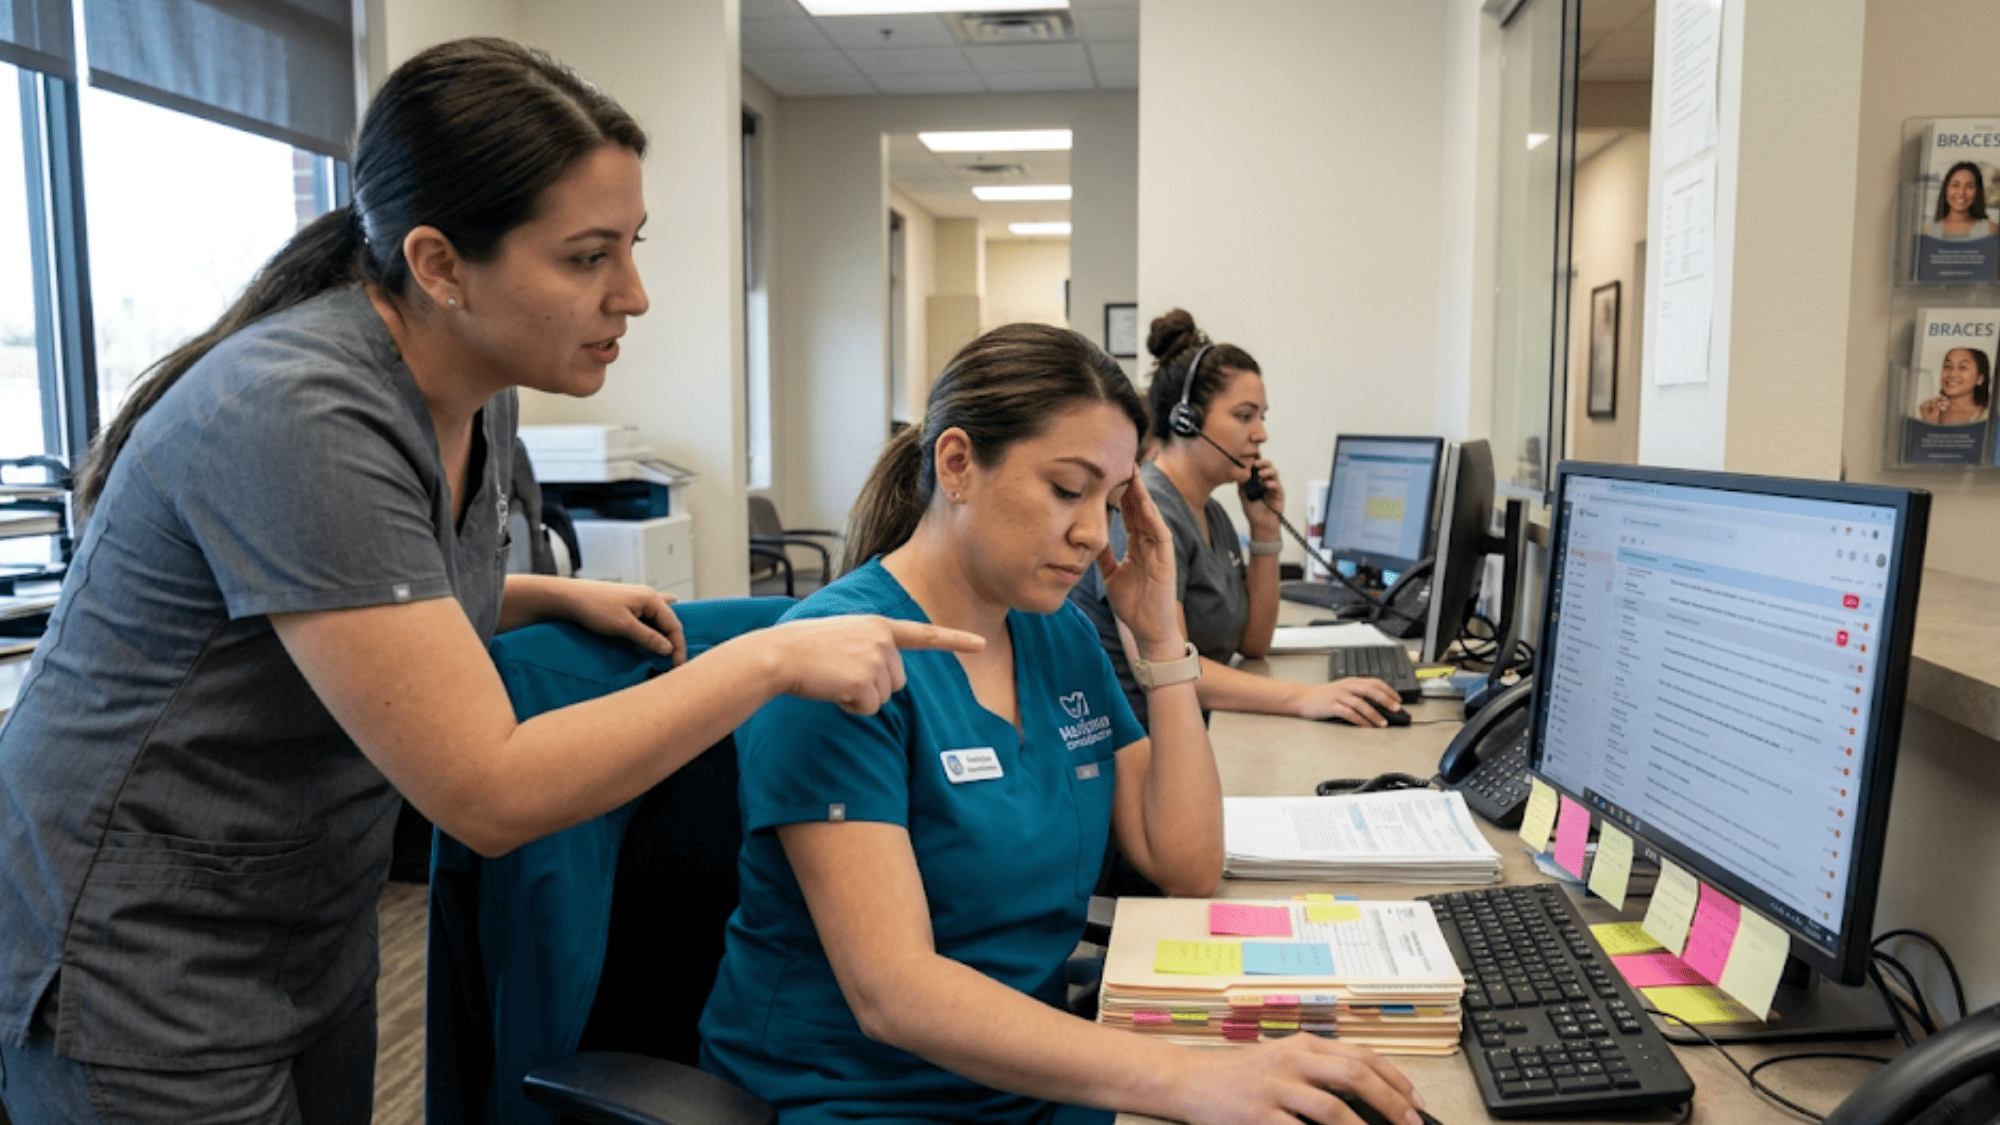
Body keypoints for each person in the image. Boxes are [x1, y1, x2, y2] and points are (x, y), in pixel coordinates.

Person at [0, 38, 976, 1124]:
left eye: (631, 248)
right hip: (138, 942)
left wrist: (544, 595)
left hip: (304, 918)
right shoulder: (298, 414)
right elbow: (489, 792)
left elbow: (367, 600)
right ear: (439, 263)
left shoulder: (477, 393)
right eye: (586, 258)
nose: (634, 295)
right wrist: (768, 658)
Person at [697, 324, 1429, 1125]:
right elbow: (893, 994)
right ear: (957, 464)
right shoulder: (833, 661)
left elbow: (1183, 861)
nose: (1093, 532)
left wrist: (1159, 639)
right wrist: (1183, 1078)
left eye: (1112, 500)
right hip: (859, 1101)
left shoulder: (1058, 633)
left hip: (1035, 1084)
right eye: (1066, 489)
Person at [1069, 309, 1404, 730]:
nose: (1260, 433)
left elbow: (1253, 643)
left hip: (1190, 729)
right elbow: (1163, 671)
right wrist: (1305, 698)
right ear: (1186, 419)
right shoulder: (1146, 513)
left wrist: (1265, 529)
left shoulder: (1211, 512)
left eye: (1262, 417)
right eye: (1245, 416)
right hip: (1137, 742)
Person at [1917, 345, 1992, 425]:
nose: (1952, 374)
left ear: (1979, 379)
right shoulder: (1926, 410)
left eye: (1962, 367)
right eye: (1948, 366)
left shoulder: (1989, 416)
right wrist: (1930, 421)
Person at [1922, 161, 1999, 240]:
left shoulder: (1991, 229)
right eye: (1955, 185)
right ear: (1945, 189)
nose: (1962, 192)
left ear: (1977, 192)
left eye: (1969, 186)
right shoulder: (1927, 230)